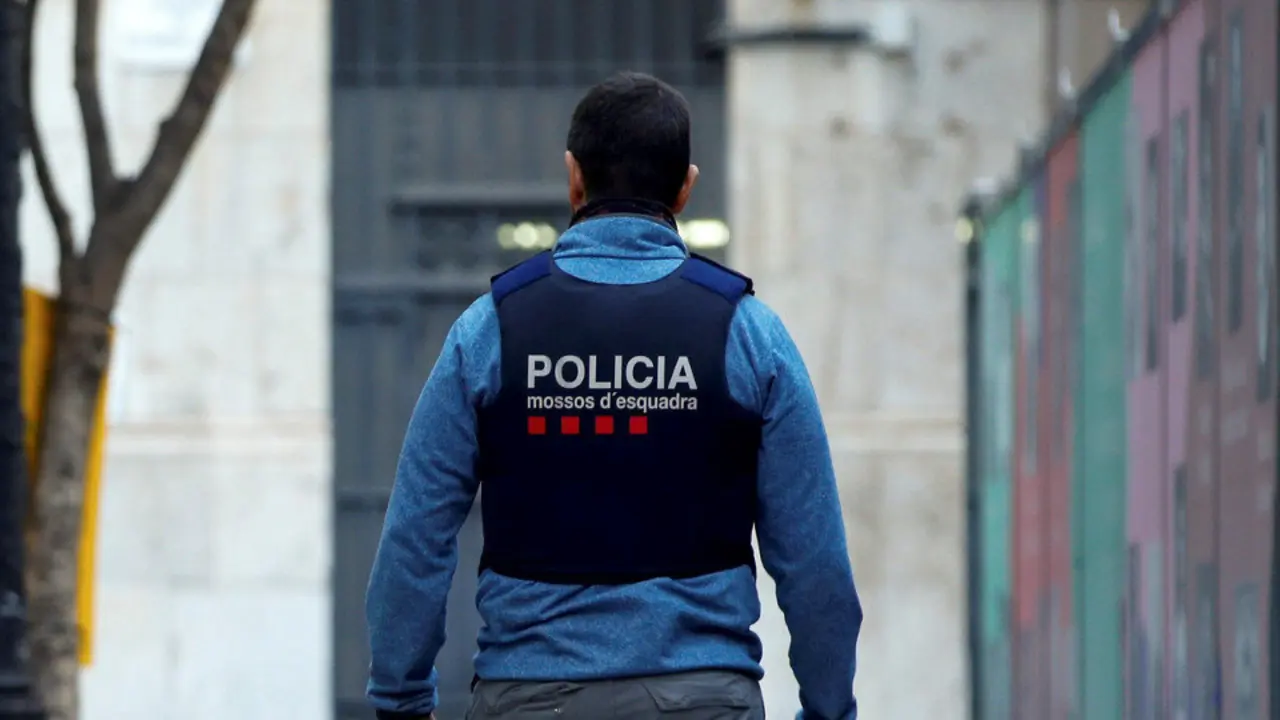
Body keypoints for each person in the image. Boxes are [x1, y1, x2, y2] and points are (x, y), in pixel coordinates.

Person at [365, 71, 862, 720]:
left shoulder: (490, 331)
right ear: (685, 188)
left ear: (574, 177)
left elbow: (416, 535)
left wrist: (400, 699)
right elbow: (815, 561)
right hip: (705, 700)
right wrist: (828, 709)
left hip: (528, 698)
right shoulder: (749, 335)